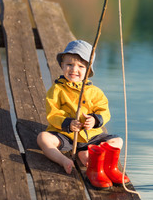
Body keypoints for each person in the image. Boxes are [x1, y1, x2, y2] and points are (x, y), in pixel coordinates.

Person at [37, 40, 129, 189]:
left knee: (118, 141)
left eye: (81, 66)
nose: (74, 69)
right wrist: (67, 123)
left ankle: (107, 168)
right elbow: (52, 113)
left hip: (91, 135)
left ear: (88, 70)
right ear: (62, 65)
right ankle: (64, 161)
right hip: (66, 135)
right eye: (69, 65)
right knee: (43, 138)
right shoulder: (57, 89)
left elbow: (104, 111)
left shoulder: (95, 92)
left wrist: (95, 120)